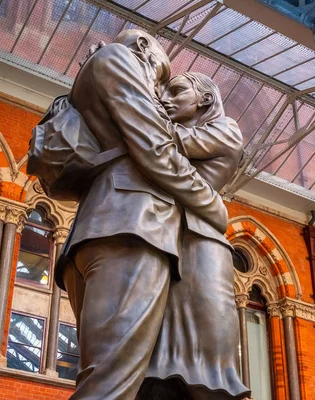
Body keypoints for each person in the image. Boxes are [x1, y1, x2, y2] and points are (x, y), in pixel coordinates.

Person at [54, 30, 229, 400]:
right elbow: (156, 151)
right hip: (133, 230)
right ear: (145, 48)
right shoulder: (119, 60)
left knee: (107, 377)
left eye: (169, 88)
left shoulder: (89, 79)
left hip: (97, 232)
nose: (159, 92)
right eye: (161, 78)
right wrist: (213, 205)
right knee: (110, 385)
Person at [136, 72, 250, 400]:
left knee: (202, 353)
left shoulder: (226, 129)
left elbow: (166, 140)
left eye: (176, 91)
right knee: (163, 351)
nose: (165, 99)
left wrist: (127, 87)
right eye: (163, 93)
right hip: (169, 237)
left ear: (206, 100)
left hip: (201, 243)